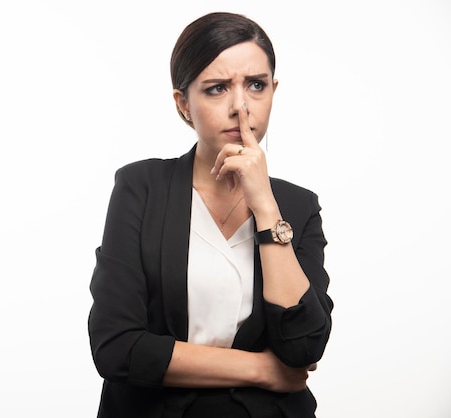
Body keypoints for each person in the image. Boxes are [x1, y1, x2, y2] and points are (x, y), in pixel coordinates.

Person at [88, 11, 333, 418]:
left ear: (274, 90)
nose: (241, 107)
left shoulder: (298, 207)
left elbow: (304, 346)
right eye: (217, 89)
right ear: (183, 104)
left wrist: (266, 207)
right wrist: (261, 369)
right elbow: (117, 348)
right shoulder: (140, 187)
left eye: (256, 86)